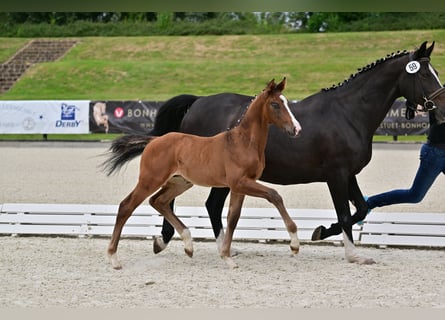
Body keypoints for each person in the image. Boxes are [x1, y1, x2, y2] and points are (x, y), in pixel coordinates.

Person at [363, 104, 445, 219]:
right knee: (415, 196)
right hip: (435, 153)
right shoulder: (439, 95)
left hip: (437, 151)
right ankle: (368, 203)